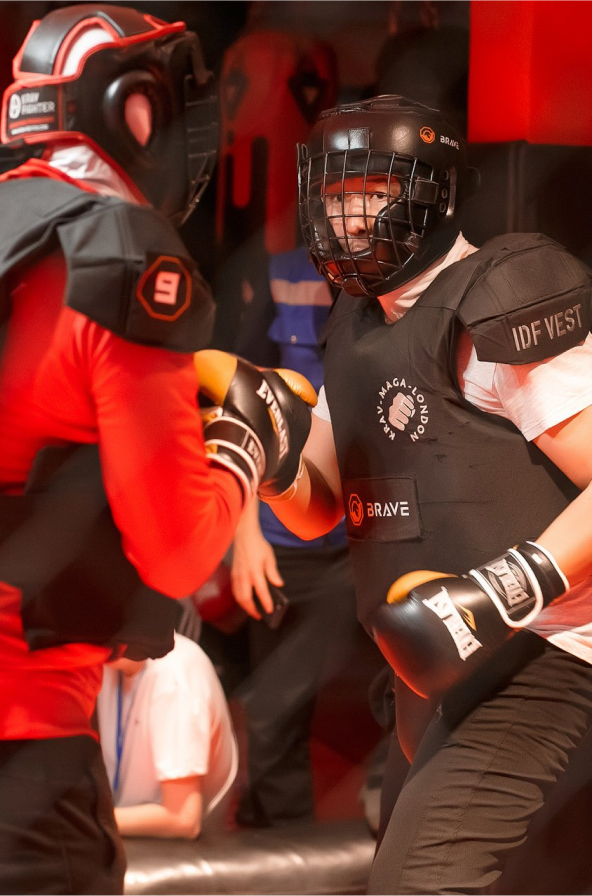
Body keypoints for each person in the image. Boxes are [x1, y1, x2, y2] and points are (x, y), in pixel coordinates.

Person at [0, 5, 313, 894]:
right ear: (134, 111)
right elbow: (175, 552)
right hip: (24, 745)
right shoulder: (119, 257)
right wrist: (245, 446)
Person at [250, 94, 592, 893]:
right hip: (430, 667)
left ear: (431, 193)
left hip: (551, 653)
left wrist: (505, 587)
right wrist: (268, 463)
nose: (348, 216)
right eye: (335, 195)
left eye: (371, 190)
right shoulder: (358, 325)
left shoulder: (497, 301)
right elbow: (323, 500)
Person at [229, 247, 360, 827]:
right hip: (286, 534)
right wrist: (245, 535)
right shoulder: (281, 275)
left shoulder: (411, 280)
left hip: (374, 531)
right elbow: (240, 405)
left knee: (399, 697)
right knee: (276, 709)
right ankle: (278, 852)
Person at [97, 632, 238, 840]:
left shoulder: (175, 673)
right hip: (124, 830)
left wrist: (88, 822)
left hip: (187, 848)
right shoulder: (102, 663)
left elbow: (183, 819)